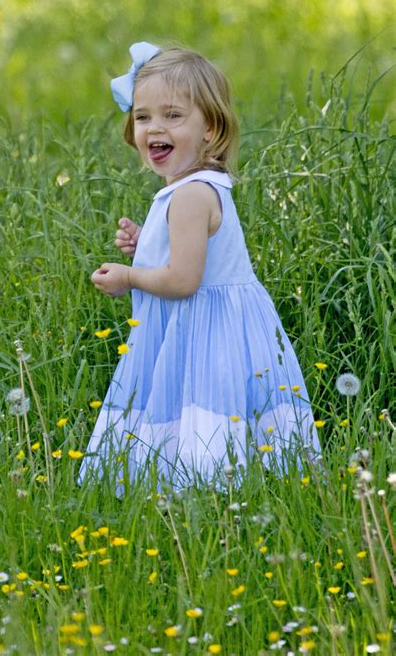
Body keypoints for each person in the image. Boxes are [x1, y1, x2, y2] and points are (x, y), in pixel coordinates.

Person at [78, 41, 320, 492]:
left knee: (198, 411)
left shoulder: (190, 195)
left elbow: (184, 280)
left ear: (210, 128)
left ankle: (204, 494)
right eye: (143, 116)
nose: (153, 128)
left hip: (202, 330)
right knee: (208, 413)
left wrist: (130, 277)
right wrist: (144, 248)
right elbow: (185, 259)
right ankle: (216, 490)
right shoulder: (191, 188)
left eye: (173, 115)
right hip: (208, 327)